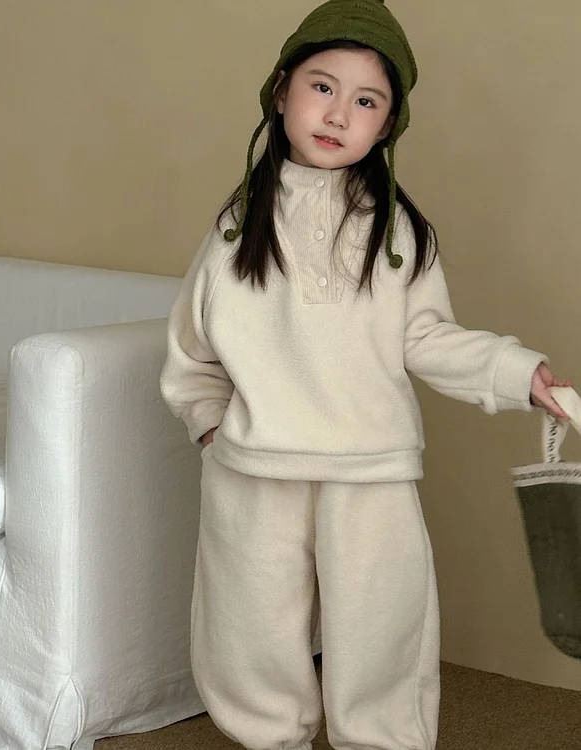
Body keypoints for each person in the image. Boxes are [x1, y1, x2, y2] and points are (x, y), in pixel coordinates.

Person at [160, 2, 571, 749]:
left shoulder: (398, 233)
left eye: (366, 101)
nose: (338, 113)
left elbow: (427, 337)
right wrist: (211, 424)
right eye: (322, 86)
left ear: (386, 127)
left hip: (371, 465)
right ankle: (270, 738)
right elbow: (194, 350)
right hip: (254, 465)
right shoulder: (235, 228)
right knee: (248, 624)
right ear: (281, 91)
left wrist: (518, 372)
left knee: (383, 623)